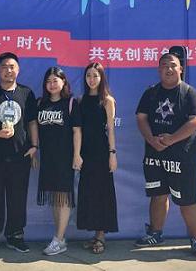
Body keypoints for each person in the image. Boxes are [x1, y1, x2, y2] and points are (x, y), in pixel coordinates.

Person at [135, 52, 196, 258]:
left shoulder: (189, 92)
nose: (168, 69)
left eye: (173, 65)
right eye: (164, 65)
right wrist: (152, 140)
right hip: (155, 156)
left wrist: (172, 139)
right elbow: (141, 118)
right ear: (159, 69)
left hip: (181, 157)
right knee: (158, 195)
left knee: (187, 200)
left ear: (181, 69)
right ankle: (155, 233)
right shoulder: (151, 93)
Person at [0, 52, 38, 255]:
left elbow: (32, 122)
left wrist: (34, 146)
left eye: (12, 67)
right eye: (4, 67)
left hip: (20, 155)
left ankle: (15, 235)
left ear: (18, 69)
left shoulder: (27, 93)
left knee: (18, 197)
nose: (8, 70)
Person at [36, 67, 82, 256]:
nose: (52, 84)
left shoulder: (70, 103)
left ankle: (58, 238)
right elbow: (34, 129)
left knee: (63, 198)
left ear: (64, 82)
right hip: (48, 158)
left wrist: (77, 155)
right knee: (55, 198)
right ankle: (60, 239)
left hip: (65, 158)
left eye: (55, 80)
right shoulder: (40, 103)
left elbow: (77, 131)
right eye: (48, 81)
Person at [76, 62, 118, 254]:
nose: (91, 80)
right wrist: (77, 154)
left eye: (95, 76)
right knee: (89, 193)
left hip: (101, 152)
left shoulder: (107, 100)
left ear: (102, 78)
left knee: (102, 193)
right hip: (85, 152)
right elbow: (78, 130)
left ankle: (101, 236)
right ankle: (94, 234)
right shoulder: (80, 100)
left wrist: (112, 153)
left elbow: (111, 129)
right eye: (88, 76)